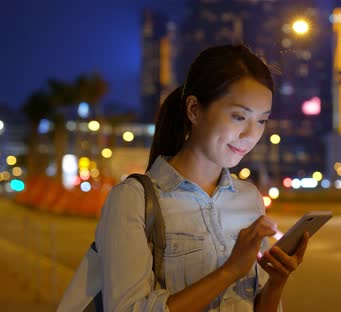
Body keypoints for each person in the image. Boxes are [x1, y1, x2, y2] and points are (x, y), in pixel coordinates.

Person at [95, 44, 308, 311]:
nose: (251, 134)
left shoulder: (249, 198)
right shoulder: (132, 200)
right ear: (194, 110)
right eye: (239, 116)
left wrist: (277, 281)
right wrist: (229, 271)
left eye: (262, 121)